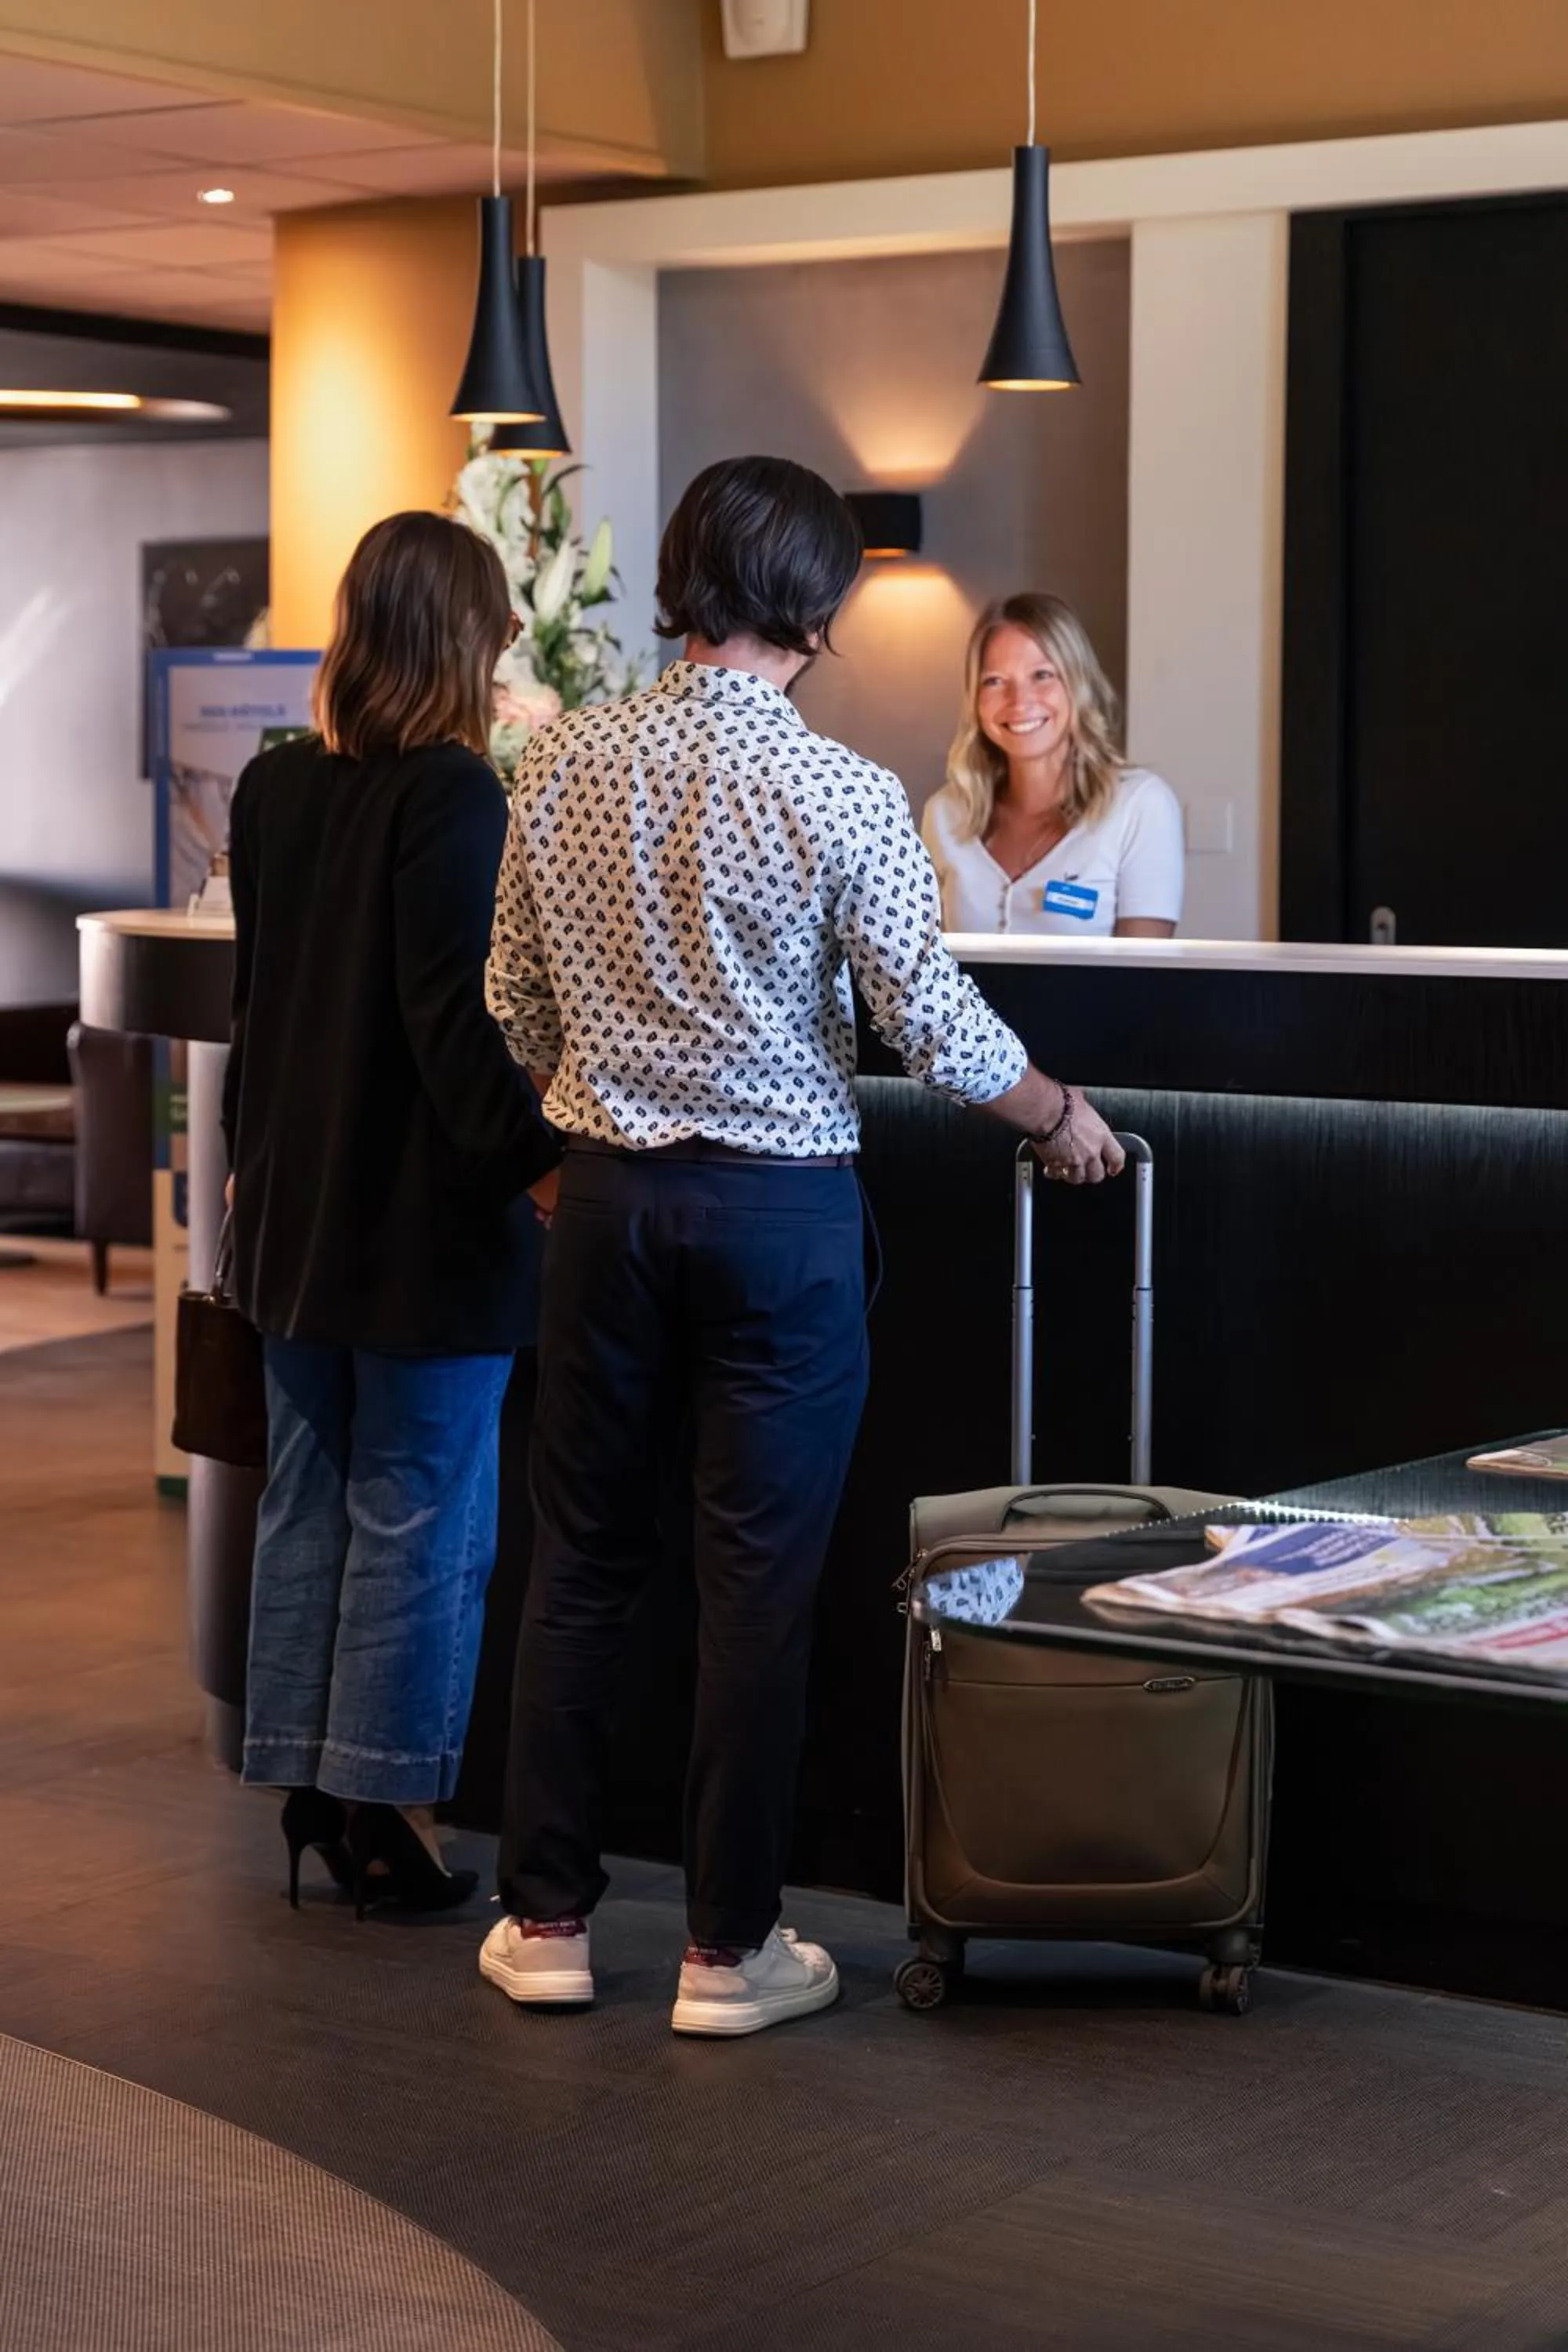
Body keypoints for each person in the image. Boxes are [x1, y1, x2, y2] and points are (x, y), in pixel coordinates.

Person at [478, 454, 1124, 2038]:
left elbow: (510, 997)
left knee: (577, 1565)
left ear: (684, 578)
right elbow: (925, 1023)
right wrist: (1056, 1114)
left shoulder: (563, 761)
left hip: (609, 1206)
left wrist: (589, 1124)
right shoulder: (834, 788)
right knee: (755, 1589)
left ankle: (545, 1918)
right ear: (821, 604)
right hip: (779, 1220)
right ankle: (727, 1953)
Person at [223, 510, 561, 1918]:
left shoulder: (274, 789)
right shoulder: (452, 797)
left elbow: (261, 1013)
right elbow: (452, 1033)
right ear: (461, 639)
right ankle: (390, 1813)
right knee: (420, 1512)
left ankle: (311, 1782)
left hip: (292, 1213)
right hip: (419, 1226)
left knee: (306, 1498)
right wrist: (543, 1164)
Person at [922, 593, 1185, 938]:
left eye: (1042, 675)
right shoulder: (944, 814)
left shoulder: (1140, 806)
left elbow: (1145, 980)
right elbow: (927, 973)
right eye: (995, 681)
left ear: (1078, 684)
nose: (1020, 702)